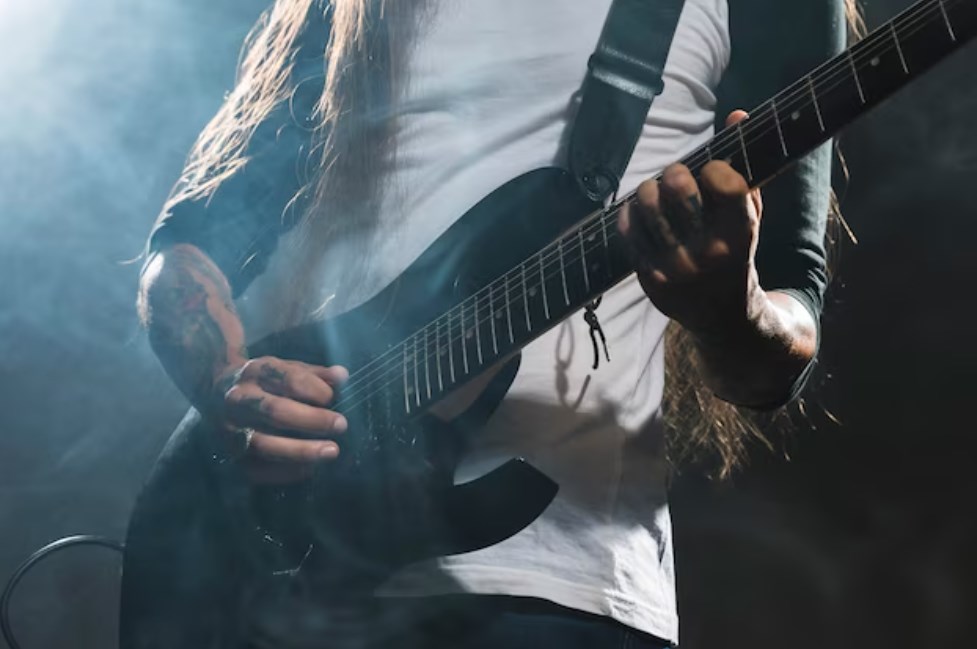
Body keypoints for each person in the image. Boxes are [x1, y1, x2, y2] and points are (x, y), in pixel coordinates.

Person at [130, 0, 851, 647]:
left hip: (561, 584)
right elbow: (188, 247)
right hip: (289, 574)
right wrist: (229, 394)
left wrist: (734, 308)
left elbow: (786, 329)